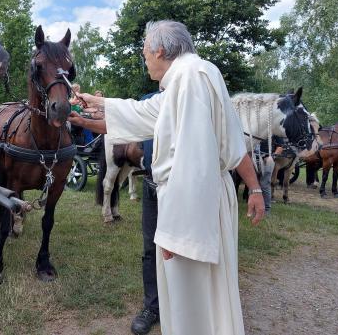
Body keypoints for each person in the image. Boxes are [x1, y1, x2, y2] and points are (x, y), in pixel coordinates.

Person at [68, 20, 265, 335]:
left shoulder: (191, 78)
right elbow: (144, 113)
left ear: (159, 49)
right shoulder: (186, 78)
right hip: (194, 208)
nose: (144, 58)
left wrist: (177, 232)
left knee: (194, 305)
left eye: (145, 50)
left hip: (192, 214)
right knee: (192, 302)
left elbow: (192, 160)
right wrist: (97, 105)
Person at [131, 91, 160, 335]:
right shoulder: (148, 100)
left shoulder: (191, 93)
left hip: (181, 186)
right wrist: (80, 119)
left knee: (182, 249)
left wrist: (255, 188)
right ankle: (153, 307)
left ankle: (183, 304)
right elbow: (124, 118)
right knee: (150, 247)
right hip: (151, 185)